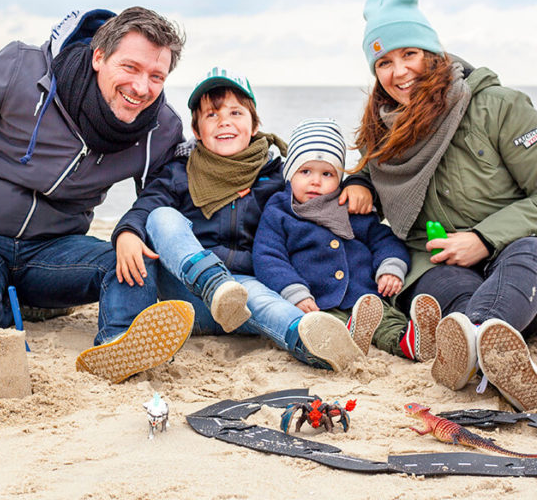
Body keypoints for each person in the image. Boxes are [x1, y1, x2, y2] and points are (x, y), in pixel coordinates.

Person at [0, 7, 195, 383]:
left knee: (137, 261)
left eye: (156, 76)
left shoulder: (161, 127)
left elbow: (164, 187)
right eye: (130, 68)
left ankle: (118, 345)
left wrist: (131, 228)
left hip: (53, 250)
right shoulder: (23, 69)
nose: (142, 88)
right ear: (99, 56)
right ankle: (14, 304)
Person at [77, 68, 373, 379]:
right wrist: (126, 231)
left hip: (243, 295)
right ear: (198, 130)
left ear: (254, 124)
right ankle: (210, 285)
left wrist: (357, 184)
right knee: (161, 217)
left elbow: (318, 186)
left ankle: (315, 344)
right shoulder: (180, 172)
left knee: (265, 301)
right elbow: (146, 207)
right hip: (189, 294)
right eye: (212, 115)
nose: (225, 121)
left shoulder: (275, 176)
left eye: (235, 112)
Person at [343, 0, 537, 410]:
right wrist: (355, 181)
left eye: (408, 54)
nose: (398, 72)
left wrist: (484, 239)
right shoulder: (380, 132)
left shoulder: (498, 106)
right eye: (384, 63)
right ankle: (480, 349)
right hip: (433, 256)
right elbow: (371, 176)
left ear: (433, 54)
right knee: (450, 298)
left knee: (526, 258)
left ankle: (480, 340)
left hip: (514, 247)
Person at [253, 118, 442, 362]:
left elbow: (382, 239)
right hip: (317, 301)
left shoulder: (347, 205)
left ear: (339, 178)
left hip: (363, 294)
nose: (316, 181)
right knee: (325, 329)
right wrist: (295, 292)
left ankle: (412, 343)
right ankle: (349, 340)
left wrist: (390, 268)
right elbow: (268, 256)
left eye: (327, 173)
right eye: (305, 171)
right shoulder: (280, 211)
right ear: (290, 173)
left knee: (387, 321)